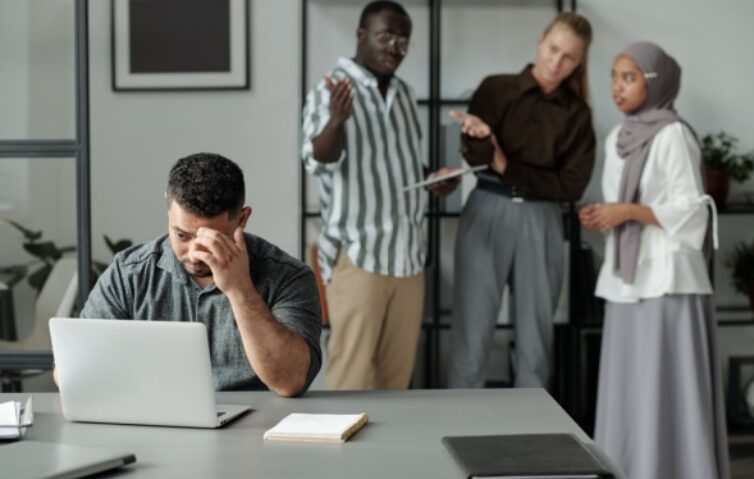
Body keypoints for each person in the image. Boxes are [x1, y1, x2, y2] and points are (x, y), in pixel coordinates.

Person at [579, 42, 729, 479]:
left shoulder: (673, 134)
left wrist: (626, 212)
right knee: (633, 388)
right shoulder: (618, 137)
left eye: (629, 77)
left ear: (655, 82)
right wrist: (606, 214)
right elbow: (624, 202)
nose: (617, 87)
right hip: (628, 281)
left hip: (668, 281)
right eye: (613, 76)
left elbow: (692, 210)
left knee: (669, 388)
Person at [71, 153, 322, 397]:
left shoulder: (288, 277)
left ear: (242, 219)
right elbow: (73, 370)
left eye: (213, 239)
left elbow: (291, 382)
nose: (194, 254)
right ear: (169, 211)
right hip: (152, 425)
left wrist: (240, 289)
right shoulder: (129, 274)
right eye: (182, 235)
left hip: (254, 430)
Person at [301, 1, 459, 390]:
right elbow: (317, 158)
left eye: (403, 41)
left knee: (396, 384)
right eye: (385, 37)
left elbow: (400, 166)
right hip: (360, 256)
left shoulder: (405, 94)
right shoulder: (332, 89)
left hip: (408, 260)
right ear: (361, 35)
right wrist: (337, 121)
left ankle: (387, 455)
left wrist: (431, 180)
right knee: (349, 379)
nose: (395, 48)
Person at [447, 13, 595, 389]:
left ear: (579, 63)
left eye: (569, 58)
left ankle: (532, 442)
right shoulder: (495, 90)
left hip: (542, 220)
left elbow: (570, 187)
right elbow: (474, 157)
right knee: (471, 338)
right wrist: (481, 140)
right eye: (553, 49)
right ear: (540, 41)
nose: (556, 62)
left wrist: (505, 164)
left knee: (536, 342)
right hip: (486, 210)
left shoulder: (578, 114)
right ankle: (458, 433)